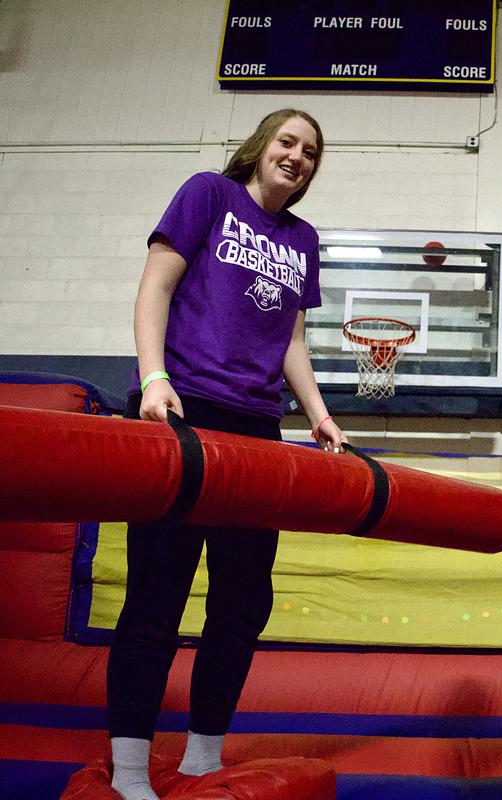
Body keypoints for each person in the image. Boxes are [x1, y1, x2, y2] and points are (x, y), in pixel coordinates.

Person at [106, 109, 346, 800]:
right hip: (181, 412)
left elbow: (291, 341)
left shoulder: (302, 239)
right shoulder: (209, 193)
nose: (297, 156)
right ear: (261, 146)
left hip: (256, 430)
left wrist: (320, 415)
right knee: (158, 594)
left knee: (242, 602)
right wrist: (154, 377)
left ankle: (201, 757)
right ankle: (129, 770)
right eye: (287, 142)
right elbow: (156, 284)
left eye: (311, 152)